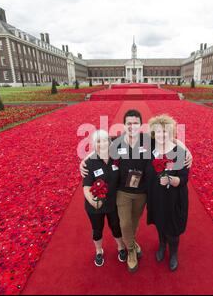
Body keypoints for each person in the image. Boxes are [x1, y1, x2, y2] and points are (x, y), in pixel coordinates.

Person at [80, 109, 192, 273]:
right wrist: (84, 159)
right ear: (124, 125)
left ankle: (132, 242)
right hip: (122, 192)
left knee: (133, 222)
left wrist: (187, 150)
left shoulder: (148, 140)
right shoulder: (117, 142)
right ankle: (131, 250)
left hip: (142, 192)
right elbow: (101, 145)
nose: (132, 126)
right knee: (124, 223)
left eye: (135, 123)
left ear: (141, 125)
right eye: (128, 123)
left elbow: (169, 138)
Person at [146, 115, 189, 271]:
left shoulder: (178, 152)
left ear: (171, 133)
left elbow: (183, 178)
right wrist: (86, 158)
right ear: (153, 133)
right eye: (158, 131)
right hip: (156, 197)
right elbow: (115, 141)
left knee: (172, 228)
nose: (161, 135)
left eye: (165, 132)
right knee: (159, 223)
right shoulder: (150, 149)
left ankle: (173, 253)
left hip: (174, 198)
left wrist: (170, 180)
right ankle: (162, 246)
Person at [82, 129, 126, 267]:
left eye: (105, 140)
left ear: (110, 142)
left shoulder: (117, 157)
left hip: (113, 203)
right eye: (98, 141)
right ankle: (98, 250)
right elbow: (86, 187)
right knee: (97, 229)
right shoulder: (90, 162)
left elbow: (134, 137)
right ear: (94, 144)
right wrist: (93, 201)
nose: (102, 144)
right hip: (95, 205)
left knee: (116, 226)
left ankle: (120, 247)